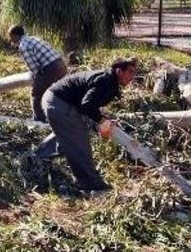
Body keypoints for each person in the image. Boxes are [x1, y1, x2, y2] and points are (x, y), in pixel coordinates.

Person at [39, 57, 138, 194]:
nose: (133, 76)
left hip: (58, 100)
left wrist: (103, 119)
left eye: (134, 72)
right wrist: (102, 121)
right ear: (119, 71)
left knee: (69, 133)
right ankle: (91, 185)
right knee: (79, 142)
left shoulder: (109, 79)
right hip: (58, 102)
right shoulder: (106, 82)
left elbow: (91, 103)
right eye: (130, 72)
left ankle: (38, 158)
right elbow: (87, 105)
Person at [8, 25, 68, 123]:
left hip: (51, 69)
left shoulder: (23, 46)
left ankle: (39, 119)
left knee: (36, 93)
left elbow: (34, 68)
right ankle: (63, 115)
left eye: (10, 36)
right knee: (59, 92)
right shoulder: (34, 38)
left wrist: (37, 81)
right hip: (61, 65)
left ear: (15, 36)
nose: (10, 39)